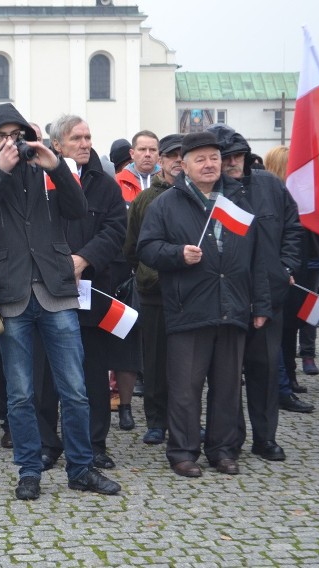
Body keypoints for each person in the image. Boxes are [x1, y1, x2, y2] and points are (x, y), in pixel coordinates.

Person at [0, 103, 121, 500]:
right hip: (11, 293)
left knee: (75, 388)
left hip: (56, 289)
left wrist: (56, 167)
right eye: (1, 136)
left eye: (15, 135)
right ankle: (29, 470)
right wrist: (0, 170)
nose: (10, 142)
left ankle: (81, 468)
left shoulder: (46, 169)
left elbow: (77, 209)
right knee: (20, 393)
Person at [137, 131, 271, 478]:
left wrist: (260, 305)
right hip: (188, 307)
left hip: (233, 307)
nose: (210, 164)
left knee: (227, 387)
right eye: (201, 159)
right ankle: (182, 452)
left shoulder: (237, 200)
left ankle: (222, 450)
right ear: (184, 164)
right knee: (185, 388)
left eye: (214, 157)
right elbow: (146, 248)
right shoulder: (166, 203)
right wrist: (177, 254)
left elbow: (257, 259)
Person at [208, 125, 303, 462]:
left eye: (237, 155)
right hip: (226, 298)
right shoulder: (209, 191)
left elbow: (293, 227)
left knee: (264, 369)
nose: (233, 162)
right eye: (226, 156)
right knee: (227, 374)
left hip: (269, 294)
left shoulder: (270, 185)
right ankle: (230, 438)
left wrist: (286, 267)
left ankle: (266, 438)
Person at [37, 114, 128, 470]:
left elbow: (115, 230)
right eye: (77, 138)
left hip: (92, 289)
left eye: (88, 137)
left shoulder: (104, 184)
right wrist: (56, 263)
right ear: (56, 145)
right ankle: (48, 443)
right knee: (46, 375)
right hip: (46, 292)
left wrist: (83, 259)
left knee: (92, 373)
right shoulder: (41, 181)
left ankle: (94, 444)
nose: (85, 143)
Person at [123, 133, 183, 445]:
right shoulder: (145, 200)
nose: (176, 161)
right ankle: (156, 421)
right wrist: (147, 272)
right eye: (170, 155)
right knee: (156, 362)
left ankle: (183, 421)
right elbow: (131, 247)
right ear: (161, 160)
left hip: (189, 293)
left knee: (186, 363)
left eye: (180, 155)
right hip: (154, 291)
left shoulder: (198, 196)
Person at [262, 145, 316, 415]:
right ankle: (283, 384)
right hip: (281, 274)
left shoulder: (292, 193)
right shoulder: (271, 192)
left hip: (291, 270)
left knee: (289, 327)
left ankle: (288, 380)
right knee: (280, 332)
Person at [116, 131, 160, 204]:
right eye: (142, 149)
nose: (147, 154)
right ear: (132, 154)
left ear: (158, 154)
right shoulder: (117, 181)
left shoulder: (167, 181)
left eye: (152, 150)